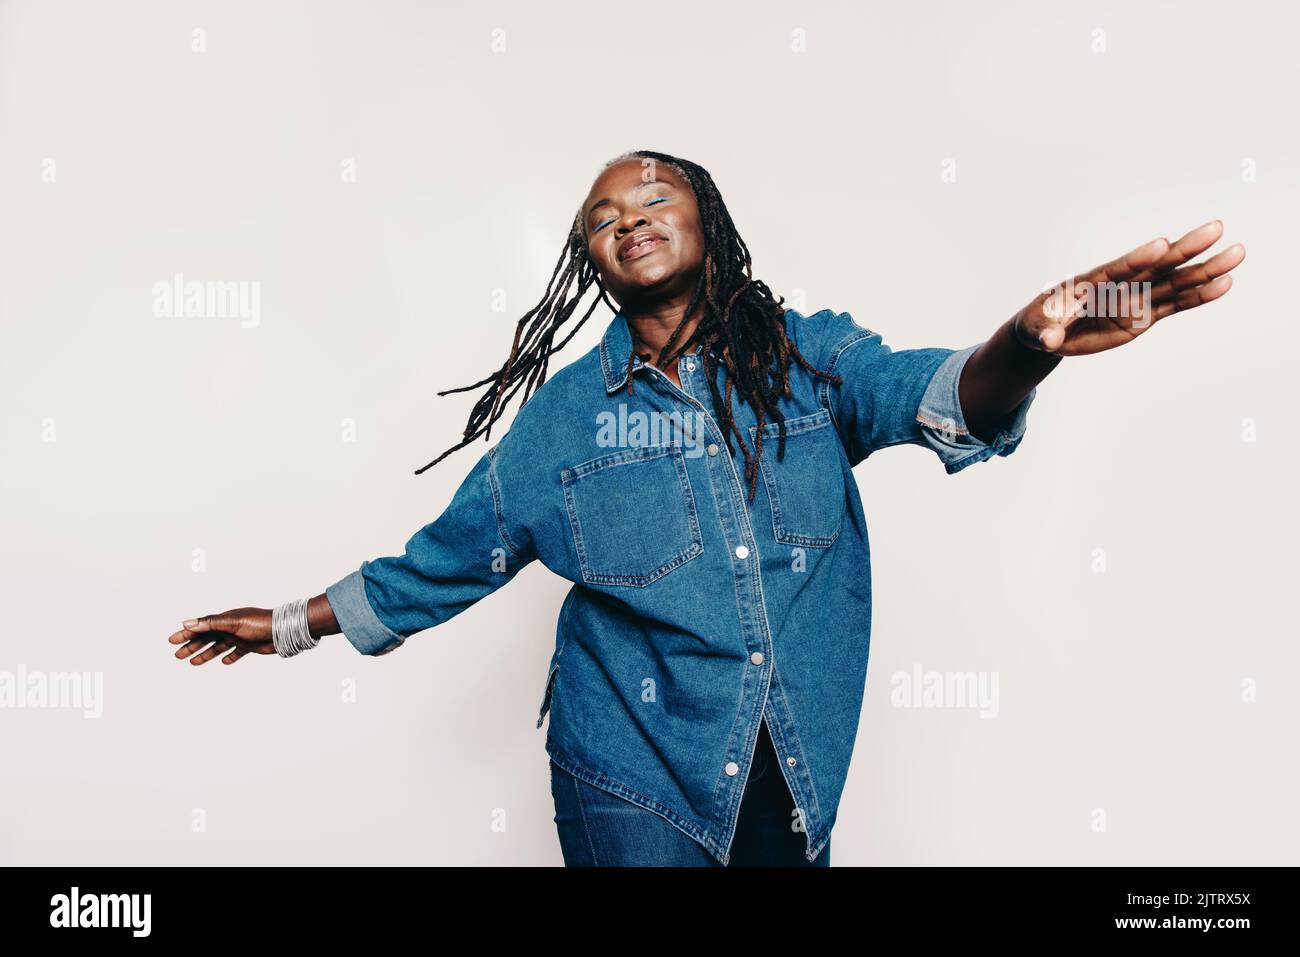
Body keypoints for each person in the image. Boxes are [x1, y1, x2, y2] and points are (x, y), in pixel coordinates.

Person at [167, 149, 1245, 867]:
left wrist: (1027, 345)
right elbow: (449, 559)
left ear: (706, 221)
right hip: (623, 775)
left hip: (792, 771)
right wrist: (288, 628)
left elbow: (929, 396)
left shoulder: (807, 359)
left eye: (650, 201)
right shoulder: (562, 423)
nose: (626, 223)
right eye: (600, 221)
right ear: (589, 262)